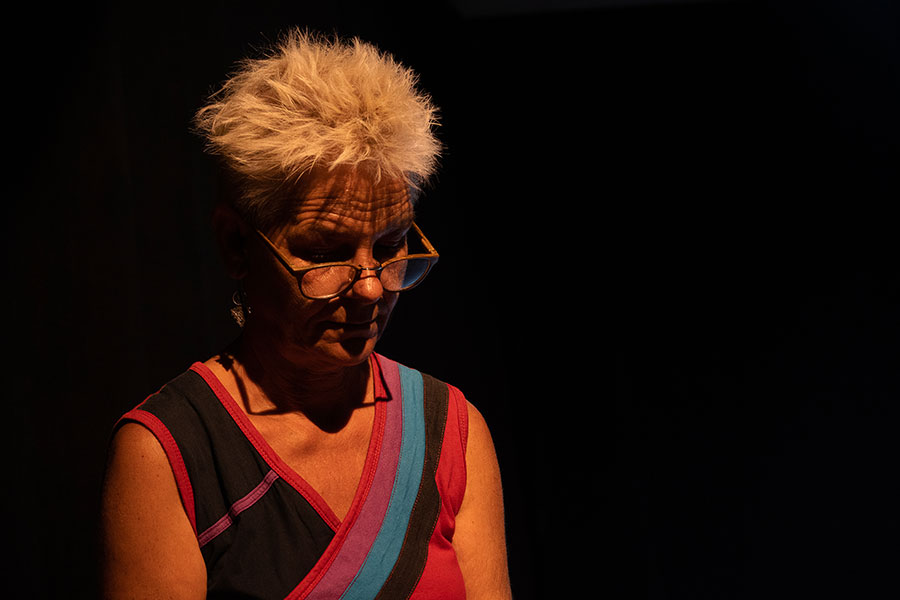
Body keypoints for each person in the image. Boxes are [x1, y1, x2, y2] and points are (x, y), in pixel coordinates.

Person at [100, 29, 512, 599]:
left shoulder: (451, 432)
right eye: (325, 252)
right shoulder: (173, 453)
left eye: (390, 247)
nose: (370, 288)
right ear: (236, 245)